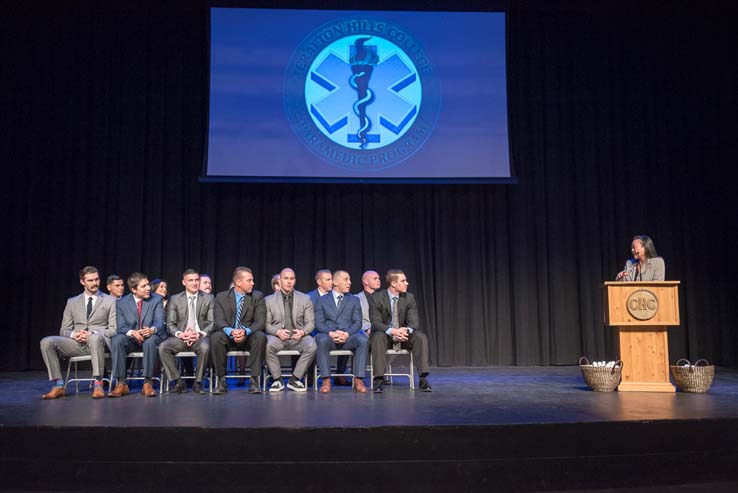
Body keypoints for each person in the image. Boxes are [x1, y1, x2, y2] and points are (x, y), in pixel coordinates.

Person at [40, 266, 117, 399]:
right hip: (76, 343)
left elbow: (114, 329)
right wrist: (74, 334)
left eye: (97, 279)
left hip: (99, 342)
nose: (95, 283)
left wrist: (92, 333)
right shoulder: (72, 302)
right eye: (90, 280)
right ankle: (58, 385)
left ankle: (98, 384)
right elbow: (64, 329)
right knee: (47, 342)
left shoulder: (110, 301)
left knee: (94, 338)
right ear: (82, 282)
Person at [369, 269, 431, 393]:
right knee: (377, 337)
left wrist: (405, 331)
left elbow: (414, 322)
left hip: (403, 336)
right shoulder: (377, 298)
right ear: (393, 283)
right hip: (386, 335)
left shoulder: (409, 298)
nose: (407, 283)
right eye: (403, 281)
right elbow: (375, 323)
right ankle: (379, 379)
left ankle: (423, 379)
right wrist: (393, 331)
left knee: (420, 337)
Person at [210, 267, 267, 394]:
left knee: (260, 336)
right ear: (238, 282)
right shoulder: (222, 297)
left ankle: (254, 380)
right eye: (249, 280)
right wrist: (231, 331)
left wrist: (245, 331)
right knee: (215, 337)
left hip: (248, 335)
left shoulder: (257, 296)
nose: (253, 283)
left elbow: (260, 322)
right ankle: (221, 380)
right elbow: (219, 320)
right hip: (229, 335)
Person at [108, 272, 166, 397]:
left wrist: (152, 329)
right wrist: (132, 332)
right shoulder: (122, 303)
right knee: (117, 340)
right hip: (131, 338)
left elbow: (159, 322)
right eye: (144, 286)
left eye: (148, 285)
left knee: (150, 342)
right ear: (134, 289)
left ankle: (147, 383)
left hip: (150, 336)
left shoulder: (156, 299)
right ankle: (121, 383)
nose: (148, 288)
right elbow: (121, 326)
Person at [159, 269, 214, 394]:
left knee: (205, 347)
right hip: (181, 337)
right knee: (163, 347)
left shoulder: (209, 298)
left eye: (196, 280)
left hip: (200, 336)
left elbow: (212, 322)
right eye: (191, 280)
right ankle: (178, 382)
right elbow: (170, 324)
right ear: (184, 282)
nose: (194, 283)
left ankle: (198, 383)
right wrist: (181, 334)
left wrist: (199, 334)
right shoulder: (175, 299)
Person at [314, 270, 369, 394]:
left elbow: (357, 323)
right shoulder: (322, 300)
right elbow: (319, 323)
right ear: (335, 282)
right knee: (321, 339)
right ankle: (326, 380)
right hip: (329, 337)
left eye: (349, 280)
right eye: (346, 279)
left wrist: (347, 334)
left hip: (347, 337)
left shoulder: (354, 300)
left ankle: (358, 380)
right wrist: (331, 333)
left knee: (363, 340)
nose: (349, 283)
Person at [264, 268, 316, 392]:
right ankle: (277, 380)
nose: (288, 281)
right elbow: (265, 324)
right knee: (266, 345)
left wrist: (302, 332)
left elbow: (311, 323)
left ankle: (295, 378)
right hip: (277, 337)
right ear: (280, 280)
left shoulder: (305, 299)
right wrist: (277, 332)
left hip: (298, 337)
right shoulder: (268, 300)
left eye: (291, 279)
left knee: (311, 345)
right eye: (285, 278)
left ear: (295, 281)